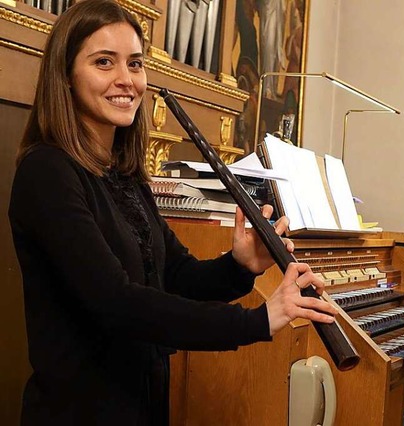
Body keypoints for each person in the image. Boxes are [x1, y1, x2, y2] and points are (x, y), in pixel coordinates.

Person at [8, 1, 336, 424]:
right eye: (104, 62)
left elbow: (176, 276)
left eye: (135, 63)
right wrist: (258, 320)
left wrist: (239, 266)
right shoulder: (47, 171)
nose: (126, 80)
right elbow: (116, 303)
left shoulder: (124, 175)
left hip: (141, 405)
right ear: (66, 76)